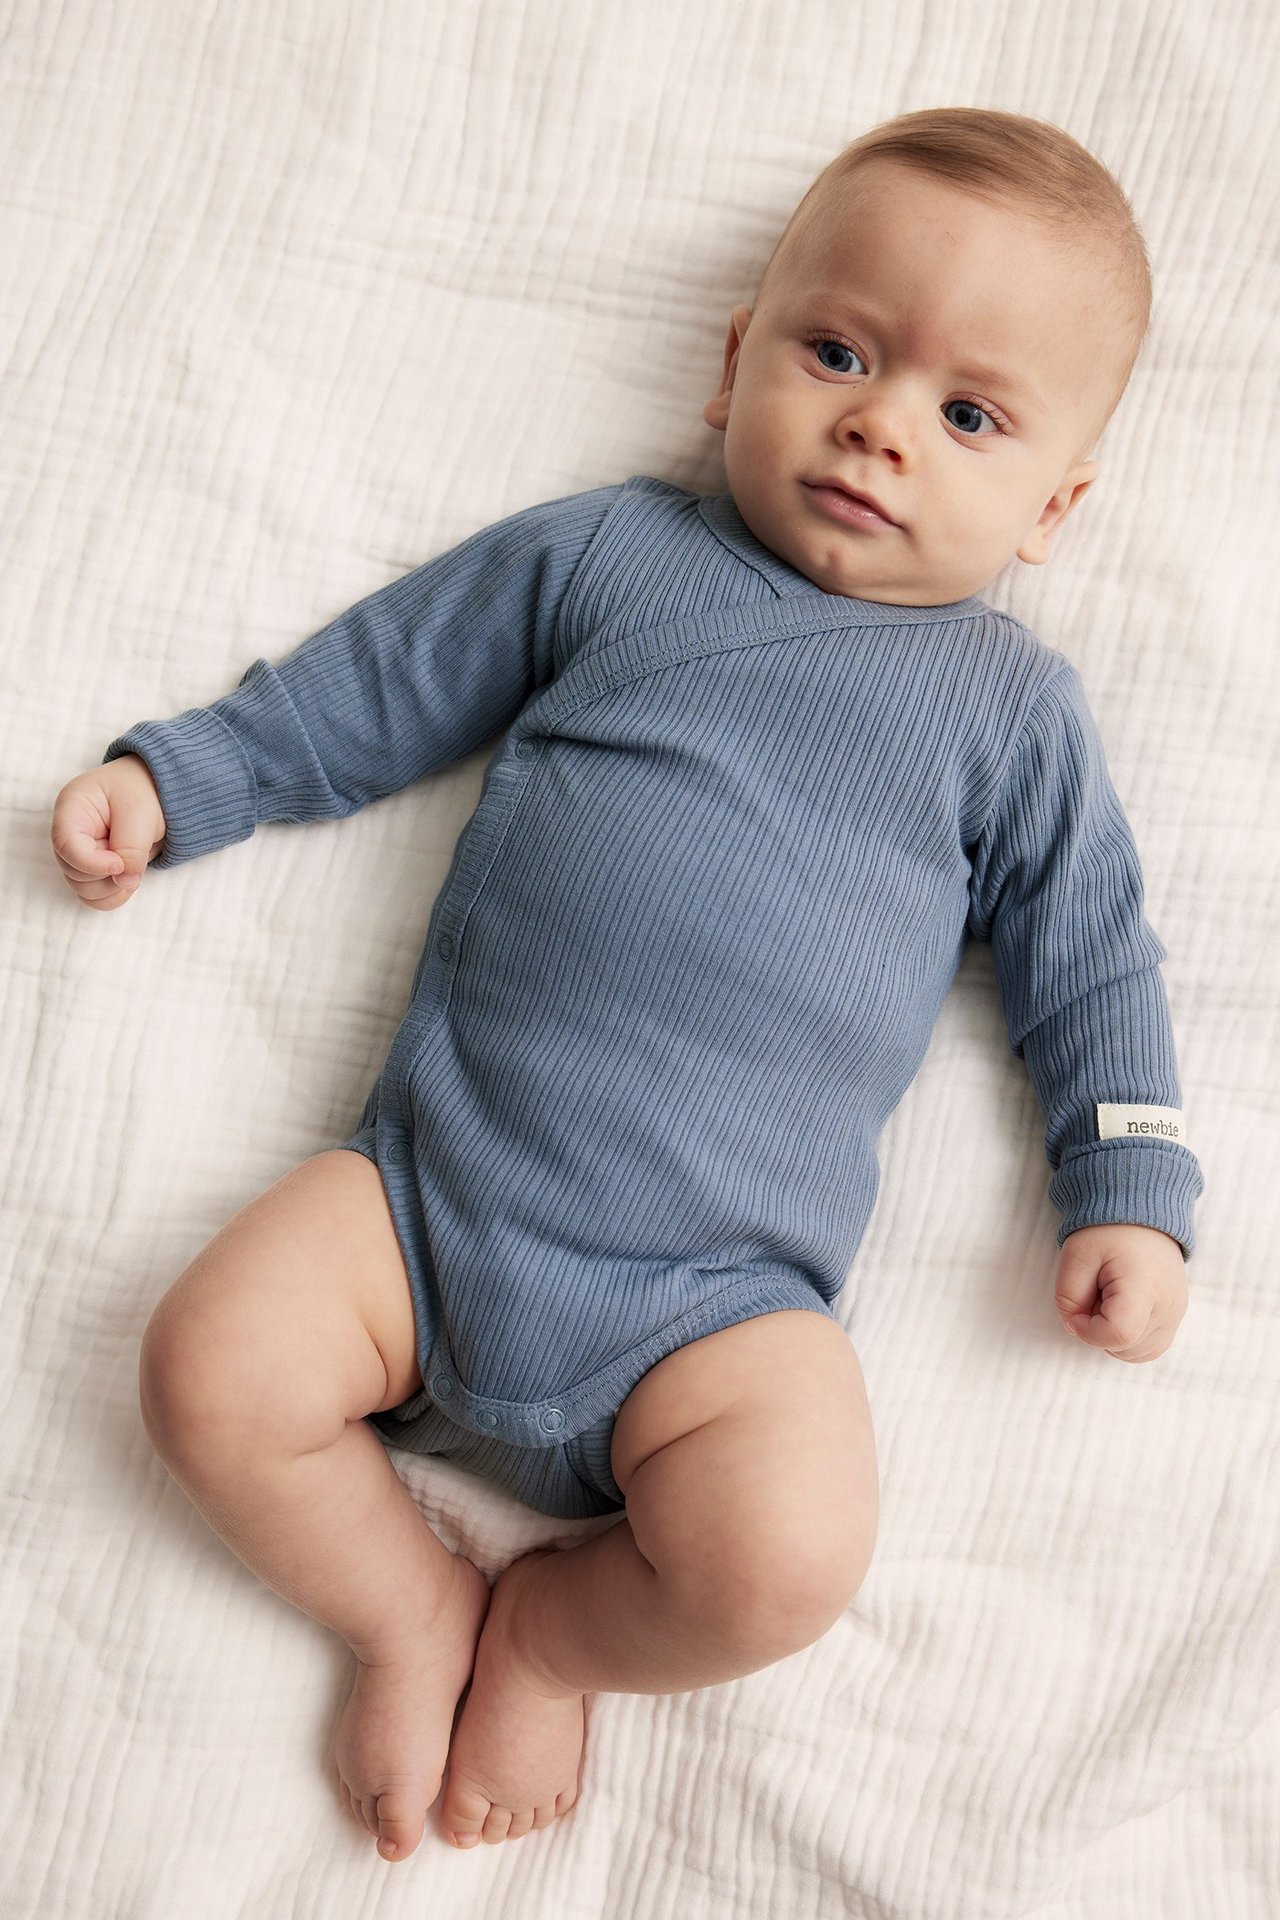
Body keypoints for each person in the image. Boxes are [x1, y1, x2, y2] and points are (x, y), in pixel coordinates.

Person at [49, 106, 1203, 1863]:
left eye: (967, 415)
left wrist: (1131, 1186)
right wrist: (187, 777)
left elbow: (1094, 959)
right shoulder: (614, 558)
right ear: (735, 361)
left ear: (1052, 506)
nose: (882, 425)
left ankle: (561, 1633)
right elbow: (383, 681)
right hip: (429, 1208)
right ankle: (404, 1606)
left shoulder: (1008, 714)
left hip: (712, 1317)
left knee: (786, 1561)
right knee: (208, 1369)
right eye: (838, 353)